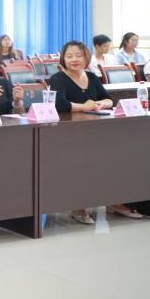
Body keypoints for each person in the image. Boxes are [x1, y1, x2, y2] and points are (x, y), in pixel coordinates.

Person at [48, 41, 142, 223]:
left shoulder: (91, 76)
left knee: (116, 156)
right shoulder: (58, 78)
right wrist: (84, 106)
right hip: (67, 134)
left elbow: (107, 99)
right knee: (81, 161)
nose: (74, 59)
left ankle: (114, 201)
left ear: (86, 57)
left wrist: (101, 103)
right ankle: (78, 205)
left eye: (78, 55)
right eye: (69, 56)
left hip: (95, 130)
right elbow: (58, 105)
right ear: (63, 59)